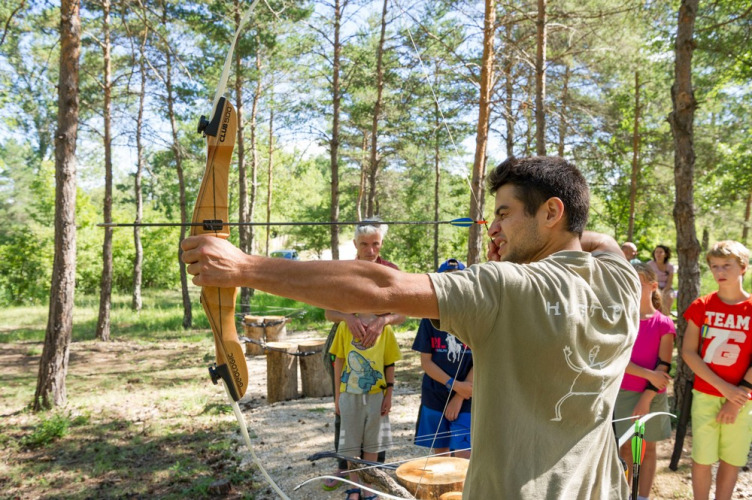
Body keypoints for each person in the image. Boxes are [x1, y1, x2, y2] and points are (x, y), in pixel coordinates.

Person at [181, 155, 641, 499]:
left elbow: (382, 287)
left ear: (551, 211)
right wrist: (538, 238)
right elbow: (594, 241)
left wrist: (243, 267)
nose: (493, 227)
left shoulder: (506, 286)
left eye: (503, 213)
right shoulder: (621, 280)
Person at [322, 220, 405, 490]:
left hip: (380, 346)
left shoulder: (391, 270)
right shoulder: (344, 272)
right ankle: (344, 467)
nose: (370, 250)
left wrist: (384, 321)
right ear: (355, 245)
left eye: (376, 244)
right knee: (346, 405)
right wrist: (347, 317)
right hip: (345, 341)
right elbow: (328, 312)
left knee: (376, 412)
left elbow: (403, 313)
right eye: (365, 244)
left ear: (381, 243)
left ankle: (373, 471)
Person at [681, 240, 752, 500]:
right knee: (702, 458)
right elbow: (689, 352)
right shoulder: (702, 306)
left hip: (742, 400)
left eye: (727, 266)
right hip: (706, 394)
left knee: (732, 459)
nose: (719, 271)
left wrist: (737, 398)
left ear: (743, 267)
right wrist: (724, 389)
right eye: (714, 267)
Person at [613, 262, 675, 500]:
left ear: (652, 286)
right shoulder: (621, 320)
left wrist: (647, 398)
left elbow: (664, 366)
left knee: (647, 450)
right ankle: (623, 493)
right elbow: (617, 359)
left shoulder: (663, 324)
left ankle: (642, 497)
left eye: (636, 283)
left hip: (652, 398)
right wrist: (649, 374)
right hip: (624, 393)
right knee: (626, 448)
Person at [330, 301, 402, 500]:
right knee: (350, 446)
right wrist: (337, 397)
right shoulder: (345, 326)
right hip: (349, 395)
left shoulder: (384, 329)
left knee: (372, 444)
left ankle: (369, 487)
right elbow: (339, 362)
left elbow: (390, 363)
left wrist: (389, 394)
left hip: (376, 396)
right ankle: (354, 488)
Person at [412, 258, 473, 460]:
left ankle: (464, 492)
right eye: (446, 280)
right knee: (441, 454)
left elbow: (481, 359)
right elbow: (426, 362)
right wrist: (454, 385)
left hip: (467, 396)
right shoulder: (429, 318)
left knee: (464, 455)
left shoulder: (474, 317)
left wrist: (459, 396)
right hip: (435, 393)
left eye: (457, 280)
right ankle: (443, 491)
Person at [648, 244, 675, 316]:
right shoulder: (649, 265)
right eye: (656, 252)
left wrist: (663, 292)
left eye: (661, 252)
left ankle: (665, 318)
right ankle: (654, 317)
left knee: (669, 296)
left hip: (666, 288)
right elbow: (648, 279)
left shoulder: (670, 266)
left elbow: (669, 282)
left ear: (665, 254)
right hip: (654, 287)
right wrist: (657, 290)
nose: (658, 254)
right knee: (655, 297)